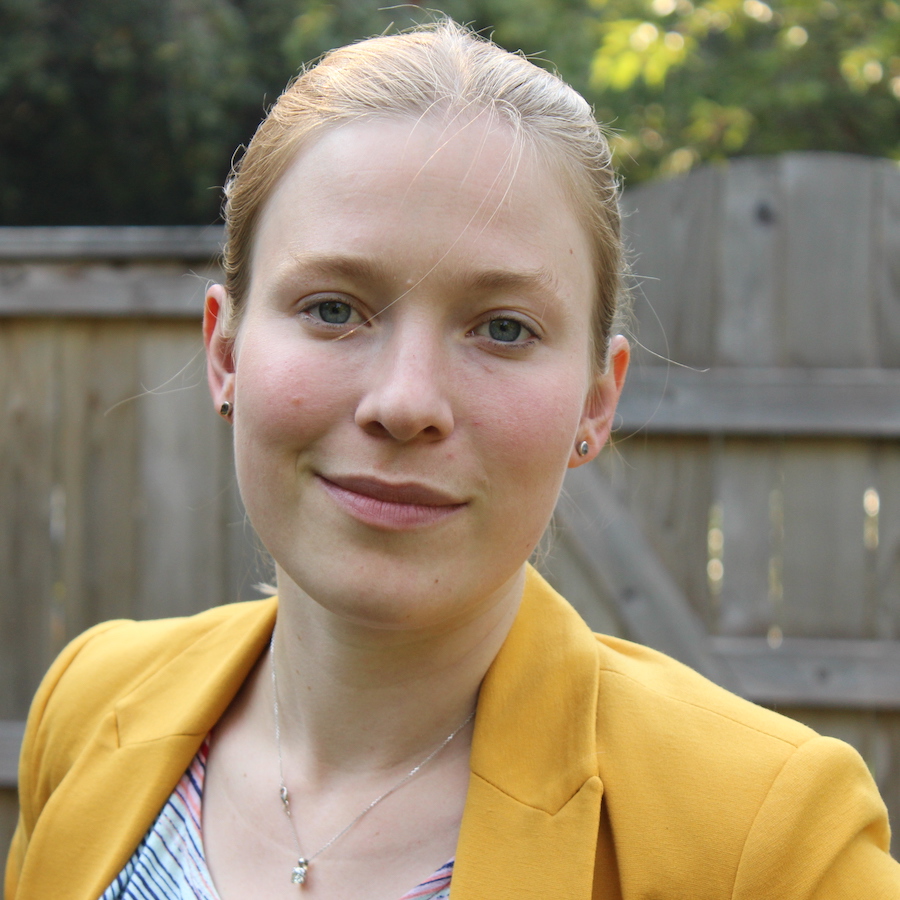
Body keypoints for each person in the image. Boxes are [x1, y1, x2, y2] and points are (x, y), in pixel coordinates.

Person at [6, 19, 900, 900]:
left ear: (597, 399)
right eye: (331, 308)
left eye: (503, 328)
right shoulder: (89, 708)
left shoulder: (770, 842)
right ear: (226, 350)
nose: (404, 402)